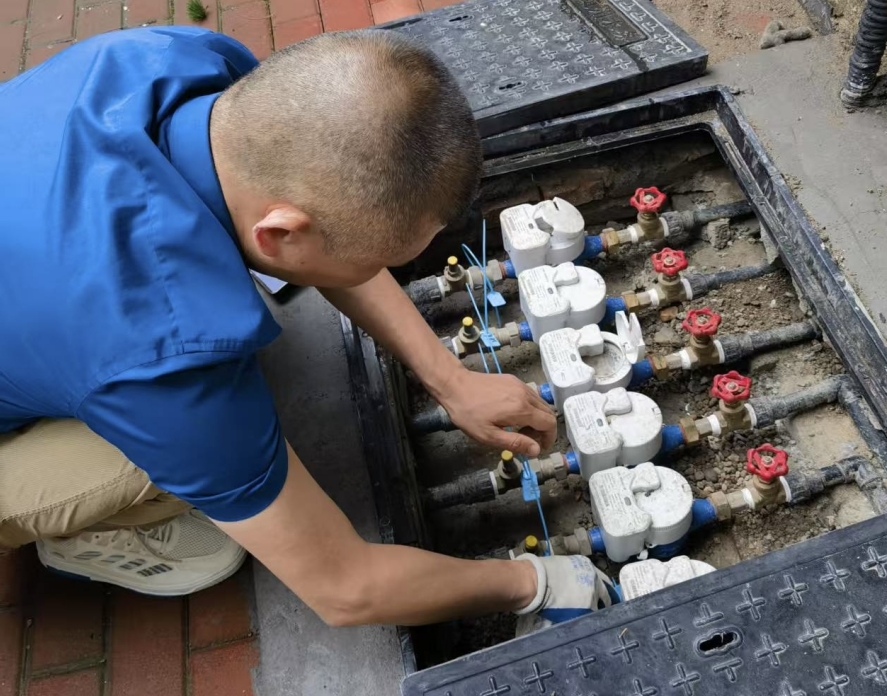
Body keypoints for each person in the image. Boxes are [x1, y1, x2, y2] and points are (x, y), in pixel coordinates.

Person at [0, 26, 614, 627]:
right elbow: (346, 590)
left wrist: (450, 379)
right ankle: (83, 538)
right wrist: (535, 583)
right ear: (279, 234)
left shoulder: (173, 58)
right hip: (101, 340)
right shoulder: (162, 357)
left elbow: (314, 231)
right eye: (373, 262)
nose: (376, 274)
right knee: (160, 462)